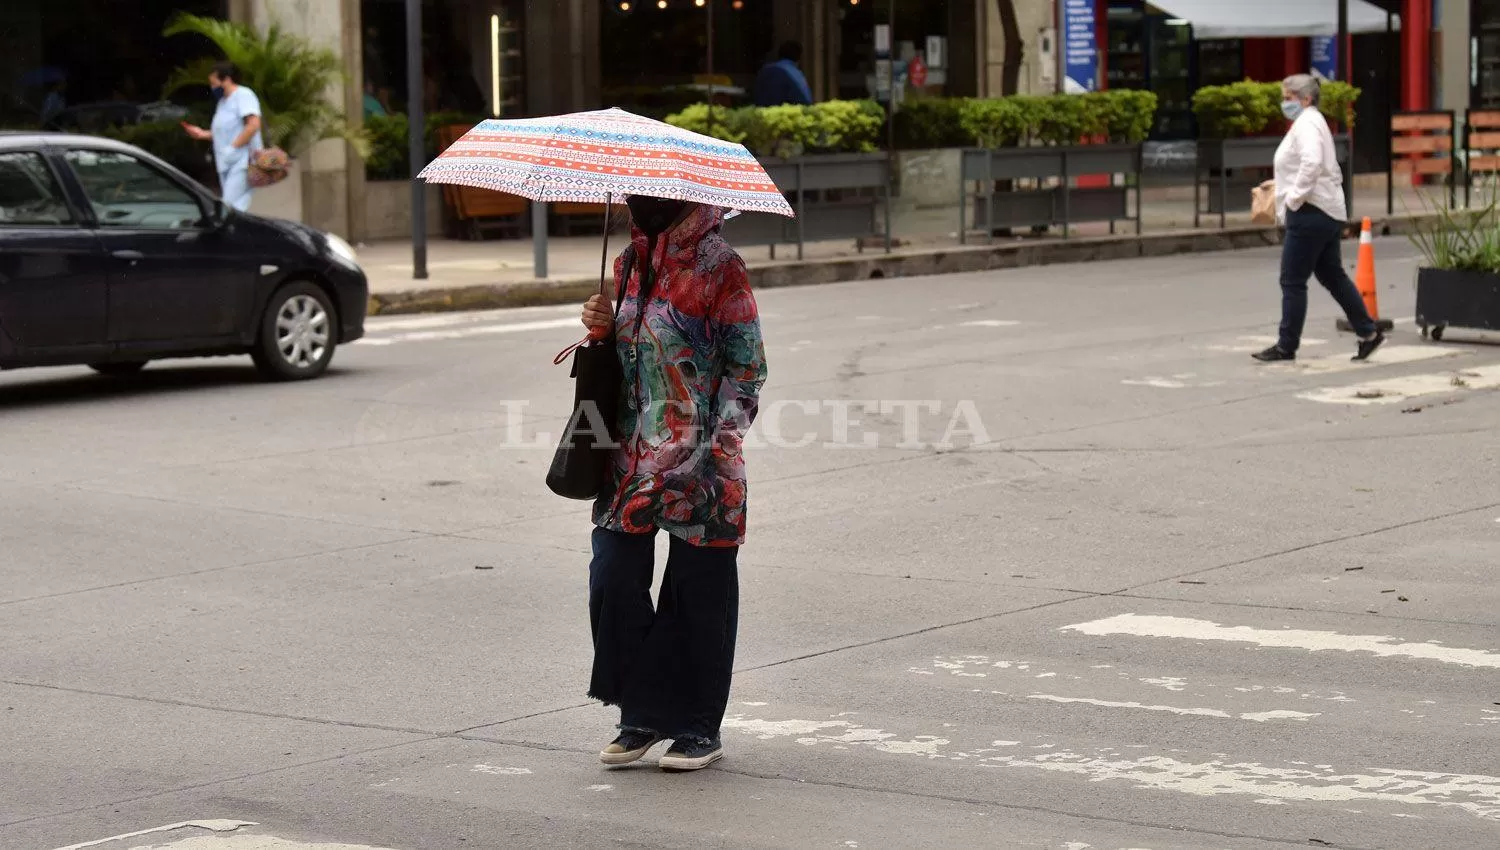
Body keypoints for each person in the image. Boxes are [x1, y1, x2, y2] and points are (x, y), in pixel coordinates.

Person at [578, 196, 768, 772]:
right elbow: (626, 362)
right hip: (628, 457)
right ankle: (641, 714)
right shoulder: (628, 263)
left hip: (703, 463)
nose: (643, 201)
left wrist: (718, 447)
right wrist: (602, 330)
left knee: (698, 593)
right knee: (613, 578)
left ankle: (695, 726)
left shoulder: (721, 265)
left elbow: (747, 369)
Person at [1253, 74, 1384, 363]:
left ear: (1306, 99)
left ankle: (1286, 346)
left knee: (1292, 280)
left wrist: (1293, 198)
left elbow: (1311, 163)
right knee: (1331, 275)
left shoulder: (1308, 124)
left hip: (1310, 212)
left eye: (1288, 98)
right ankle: (1368, 332)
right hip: (1324, 211)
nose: (1284, 103)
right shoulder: (1311, 122)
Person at [182, 62, 263, 213]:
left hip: (242, 161)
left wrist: (233, 147)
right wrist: (201, 133)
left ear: (227, 79)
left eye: (214, 83)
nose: (213, 88)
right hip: (226, 162)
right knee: (235, 208)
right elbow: (224, 132)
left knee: (227, 207)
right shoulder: (223, 103)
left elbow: (253, 125)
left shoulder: (243, 95)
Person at [753, 41, 813, 107]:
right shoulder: (796, 74)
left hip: (762, 111)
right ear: (799, 59)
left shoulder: (764, 70)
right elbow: (806, 102)